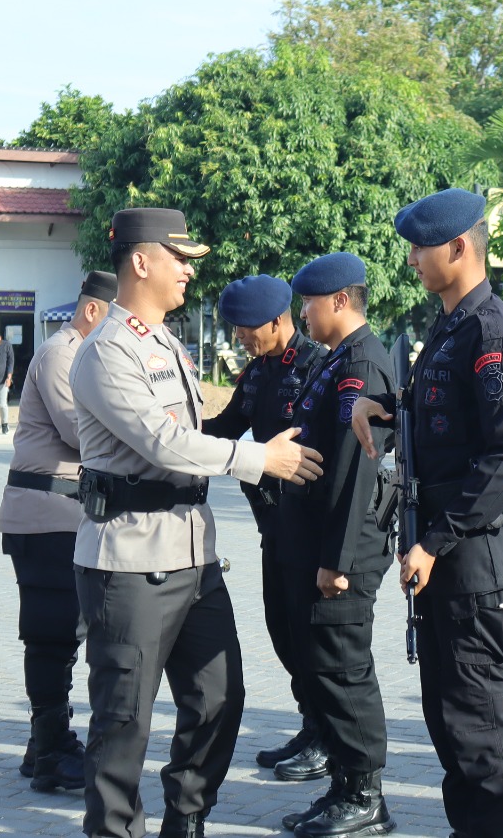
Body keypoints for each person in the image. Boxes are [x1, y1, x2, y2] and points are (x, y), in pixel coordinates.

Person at [71, 208, 322, 838]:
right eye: (179, 258)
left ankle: (186, 818)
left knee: (218, 700)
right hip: (128, 560)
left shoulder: (169, 345)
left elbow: (197, 433)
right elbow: (164, 442)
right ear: (141, 261)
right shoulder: (107, 351)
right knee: (123, 719)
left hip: (193, 554)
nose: (189, 271)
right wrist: (262, 461)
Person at [350, 188, 503, 838]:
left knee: (481, 741)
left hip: (474, 566)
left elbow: (500, 460)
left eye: (420, 247)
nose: (411, 260)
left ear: (460, 247)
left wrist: (432, 541)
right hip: (446, 568)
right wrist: (385, 407)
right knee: (454, 732)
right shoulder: (452, 327)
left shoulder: (492, 333)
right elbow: (443, 427)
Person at [276, 252, 398, 838]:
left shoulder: (362, 368)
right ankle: (344, 782)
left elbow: (357, 471)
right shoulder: (335, 361)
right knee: (324, 664)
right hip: (316, 540)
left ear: (341, 302)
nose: (303, 314)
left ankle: (365, 793)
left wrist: (337, 562)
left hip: (342, 551)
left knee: (344, 668)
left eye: (310, 303)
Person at [201, 274, 326, 774]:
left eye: (246, 328)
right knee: (283, 631)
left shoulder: (317, 367)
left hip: (308, 527)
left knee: (312, 636)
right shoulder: (256, 373)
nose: (239, 337)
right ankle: (310, 723)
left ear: (278, 320)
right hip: (271, 525)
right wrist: (170, 429)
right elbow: (226, 429)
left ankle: (327, 736)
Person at [0, 270, 117, 793]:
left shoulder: (86, 353)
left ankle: (41, 744)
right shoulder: (61, 353)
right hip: (46, 514)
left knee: (65, 634)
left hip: (66, 514)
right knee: (51, 633)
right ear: (93, 311)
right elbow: (81, 431)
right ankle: (50, 749)